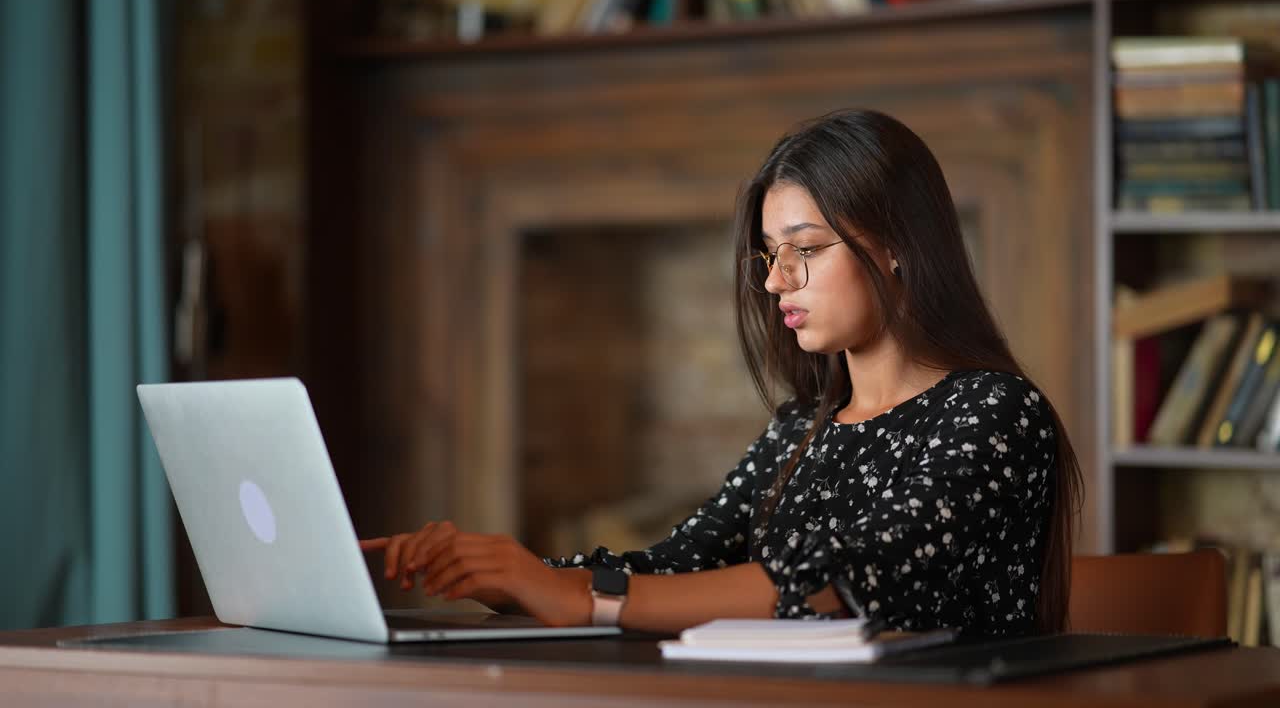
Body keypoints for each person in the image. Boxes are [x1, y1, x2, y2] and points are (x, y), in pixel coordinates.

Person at [359, 108, 1083, 637]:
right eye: (769, 255)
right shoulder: (802, 429)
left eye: (805, 248)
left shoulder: (994, 412)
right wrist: (508, 574)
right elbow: (678, 565)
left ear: (896, 246)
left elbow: (843, 584)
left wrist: (580, 598)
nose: (776, 283)